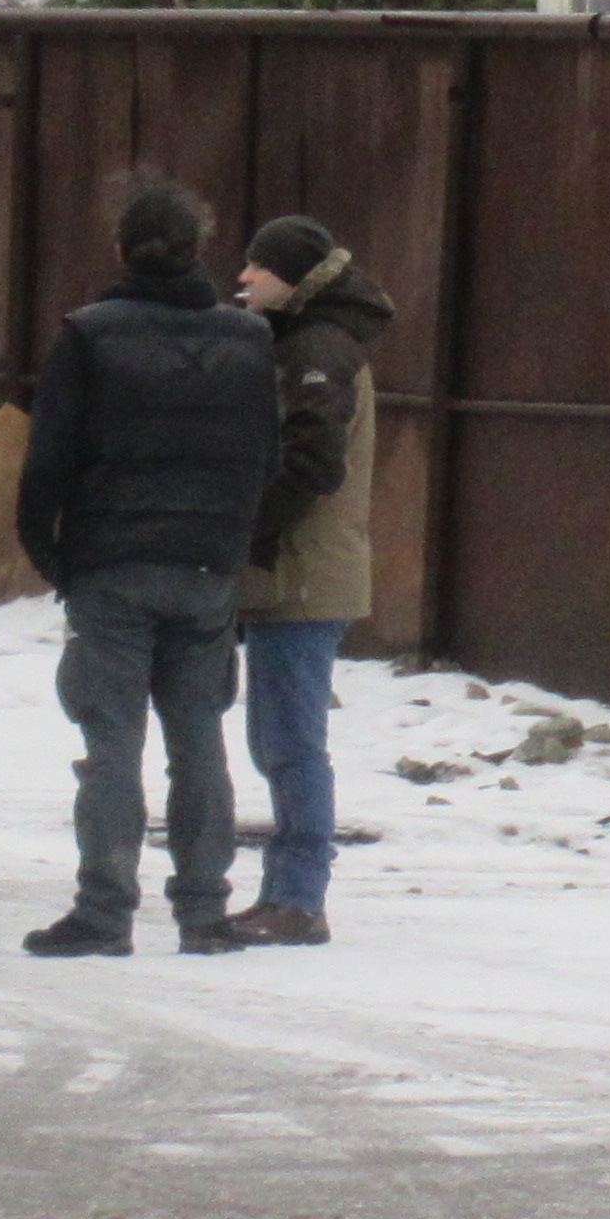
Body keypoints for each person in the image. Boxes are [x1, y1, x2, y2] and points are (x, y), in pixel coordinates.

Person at [15, 176, 276, 957]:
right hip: (204, 568)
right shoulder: (249, 341)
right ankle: (204, 912)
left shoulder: (91, 336)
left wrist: (54, 557)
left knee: (112, 741)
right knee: (200, 741)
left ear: (122, 251)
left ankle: (104, 911)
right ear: (202, 251)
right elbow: (270, 456)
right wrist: (233, 545)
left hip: (112, 566)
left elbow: (47, 463)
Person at [229, 215, 393, 948]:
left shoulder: (319, 350)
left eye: (257, 268)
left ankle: (298, 898)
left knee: (291, 742)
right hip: (291, 577)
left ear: (292, 279)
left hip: (301, 578)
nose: (243, 279)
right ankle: (289, 894)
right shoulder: (304, 343)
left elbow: (312, 463)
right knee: (277, 739)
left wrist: (249, 533)